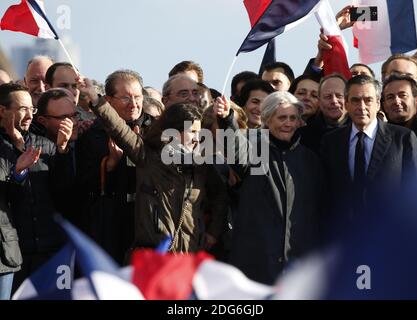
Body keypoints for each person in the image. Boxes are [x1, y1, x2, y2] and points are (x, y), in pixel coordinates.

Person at [79, 78, 228, 254]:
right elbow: (119, 129)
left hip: (189, 256)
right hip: (153, 256)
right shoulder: (148, 156)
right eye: (192, 132)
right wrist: (96, 100)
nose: (197, 138)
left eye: (199, 132)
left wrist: (212, 233)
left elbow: (220, 197)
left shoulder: (202, 165)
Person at [213, 91, 324, 285]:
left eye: (292, 118)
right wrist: (227, 119)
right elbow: (236, 150)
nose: (288, 123)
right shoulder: (256, 152)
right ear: (267, 119)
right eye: (282, 117)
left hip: (297, 266)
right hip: (256, 264)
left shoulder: (311, 160)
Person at [320, 75, 417, 227]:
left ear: (377, 103)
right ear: (346, 104)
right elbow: (325, 193)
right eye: (355, 100)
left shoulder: (403, 138)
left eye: (368, 100)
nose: (361, 107)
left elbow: (415, 193)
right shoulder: (331, 141)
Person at [0, 83, 74, 290]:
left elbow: (64, 193)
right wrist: (18, 171)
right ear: (2, 110)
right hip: (13, 252)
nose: (29, 115)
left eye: (31, 109)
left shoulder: (46, 145)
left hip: (50, 248)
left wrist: (62, 151)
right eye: (22, 109)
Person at [75, 70, 148, 263]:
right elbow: (82, 185)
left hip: (146, 222)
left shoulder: (155, 129)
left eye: (137, 97)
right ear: (108, 100)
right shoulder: (93, 135)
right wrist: (109, 165)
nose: (133, 104)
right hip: (110, 223)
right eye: (125, 98)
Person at [299, 74, 350, 154]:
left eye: (339, 96)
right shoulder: (303, 136)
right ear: (319, 101)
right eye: (328, 96)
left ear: (348, 99)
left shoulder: (359, 130)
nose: (334, 101)